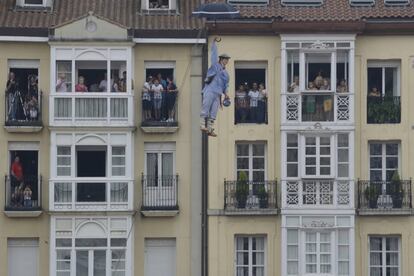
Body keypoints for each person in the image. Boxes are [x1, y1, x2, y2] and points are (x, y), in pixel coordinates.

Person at [200, 53, 230, 136]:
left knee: (213, 112)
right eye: (225, 59)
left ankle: (209, 129)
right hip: (210, 90)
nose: (226, 61)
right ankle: (202, 125)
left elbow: (226, 85)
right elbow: (213, 57)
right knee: (206, 107)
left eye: (227, 59)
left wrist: (226, 94)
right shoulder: (214, 67)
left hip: (218, 94)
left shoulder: (226, 74)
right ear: (221, 59)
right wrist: (214, 43)